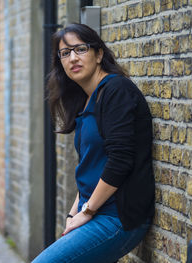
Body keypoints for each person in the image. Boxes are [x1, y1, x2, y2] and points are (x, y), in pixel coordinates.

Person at [32, 23, 155, 263]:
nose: (73, 58)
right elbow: (93, 165)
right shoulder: (87, 99)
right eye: (65, 53)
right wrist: (74, 212)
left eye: (80, 49)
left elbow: (120, 161)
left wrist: (88, 211)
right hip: (98, 211)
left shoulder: (116, 90)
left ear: (99, 54)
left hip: (118, 216)